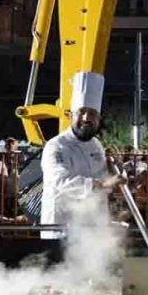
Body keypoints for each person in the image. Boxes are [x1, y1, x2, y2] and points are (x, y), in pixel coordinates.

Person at [39, 71, 124, 239]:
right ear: (71, 115)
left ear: (98, 120)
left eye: (92, 114)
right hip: (62, 227)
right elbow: (60, 182)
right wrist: (103, 183)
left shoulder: (96, 145)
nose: (86, 118)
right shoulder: (56, 146)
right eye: (81, 112)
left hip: (91, 229)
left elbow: (103, 180)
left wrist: (115, 172)